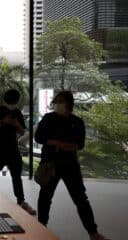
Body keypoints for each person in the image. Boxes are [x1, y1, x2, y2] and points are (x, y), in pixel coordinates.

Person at [34, 91, 109, 240]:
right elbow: (39, 137)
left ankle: (93, 233)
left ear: (69, 104)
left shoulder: (77, 121)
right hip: (50, 164)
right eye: (56, 101)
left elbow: (79, 144)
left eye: (61, 101)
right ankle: (41, 229)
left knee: (81, 199)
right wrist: (58, 143)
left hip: (70, 165)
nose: (58, 104)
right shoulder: (48, 118)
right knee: (45, 197)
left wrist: (61, 144)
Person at [0, 89, 36, 215]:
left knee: (16, 176)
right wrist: (3, 122)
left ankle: (21, 201)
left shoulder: (17, 112)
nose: (13, 103)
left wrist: (15, 123)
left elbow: (22, 132)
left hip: (13, 148)